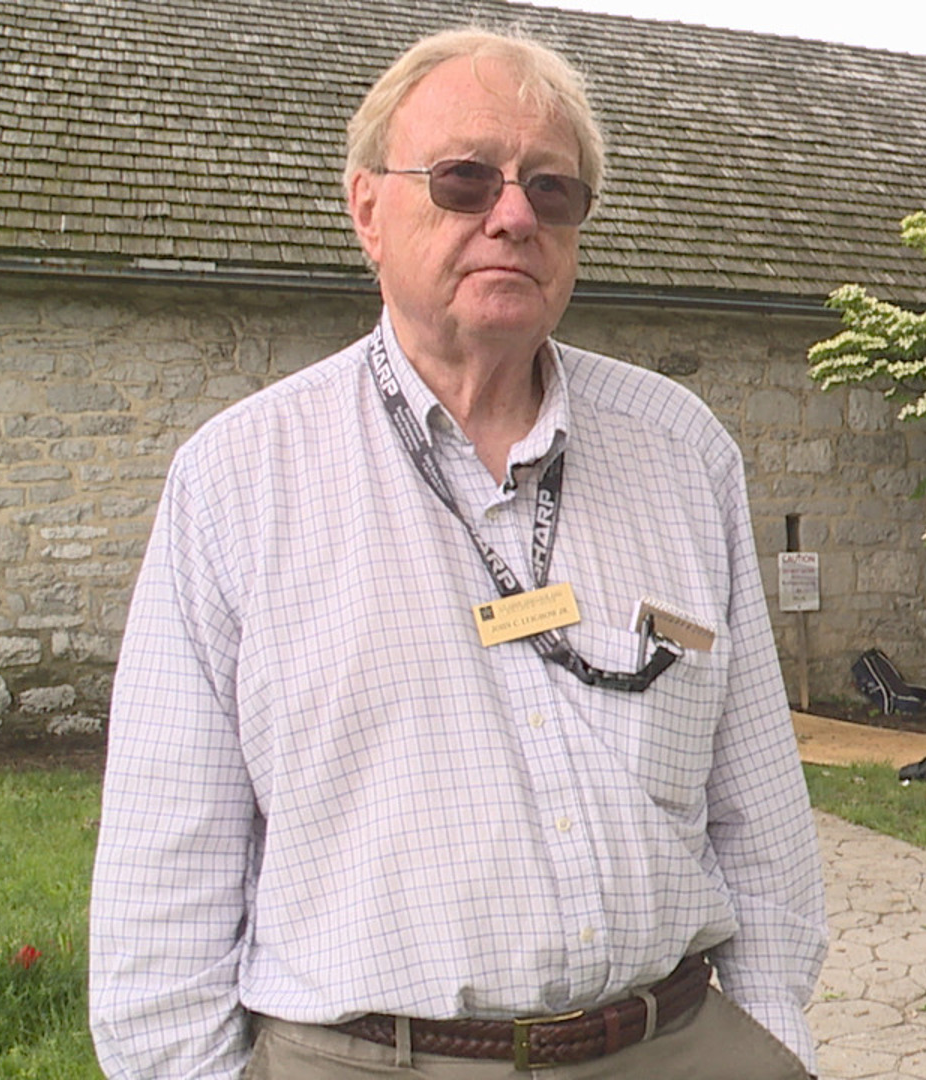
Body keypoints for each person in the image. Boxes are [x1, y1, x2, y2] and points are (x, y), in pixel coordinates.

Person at [89, 28, 825, 1080]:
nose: (513, 214)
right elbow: (164, 882)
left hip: (678, 1046)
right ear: (368, 210)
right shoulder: (237, 482)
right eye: (464, 178)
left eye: (552, 190)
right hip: (370, 1059)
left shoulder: (684, 452)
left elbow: (760, 807)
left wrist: (766, 1041)